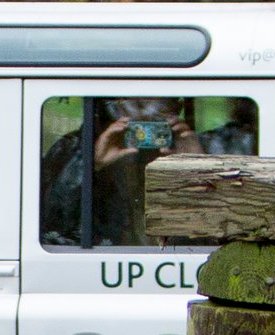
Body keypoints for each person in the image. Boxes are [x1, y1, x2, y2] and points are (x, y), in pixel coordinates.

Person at [40, 97, 256, 247]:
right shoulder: (77, 149)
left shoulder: (216, 147)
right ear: (112, 108)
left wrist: (200, 166)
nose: (144, 115)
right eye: (130, 104)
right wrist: (90, 165)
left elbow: (246, 220)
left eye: (157, 105)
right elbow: (51, 226)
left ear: (176, 107)